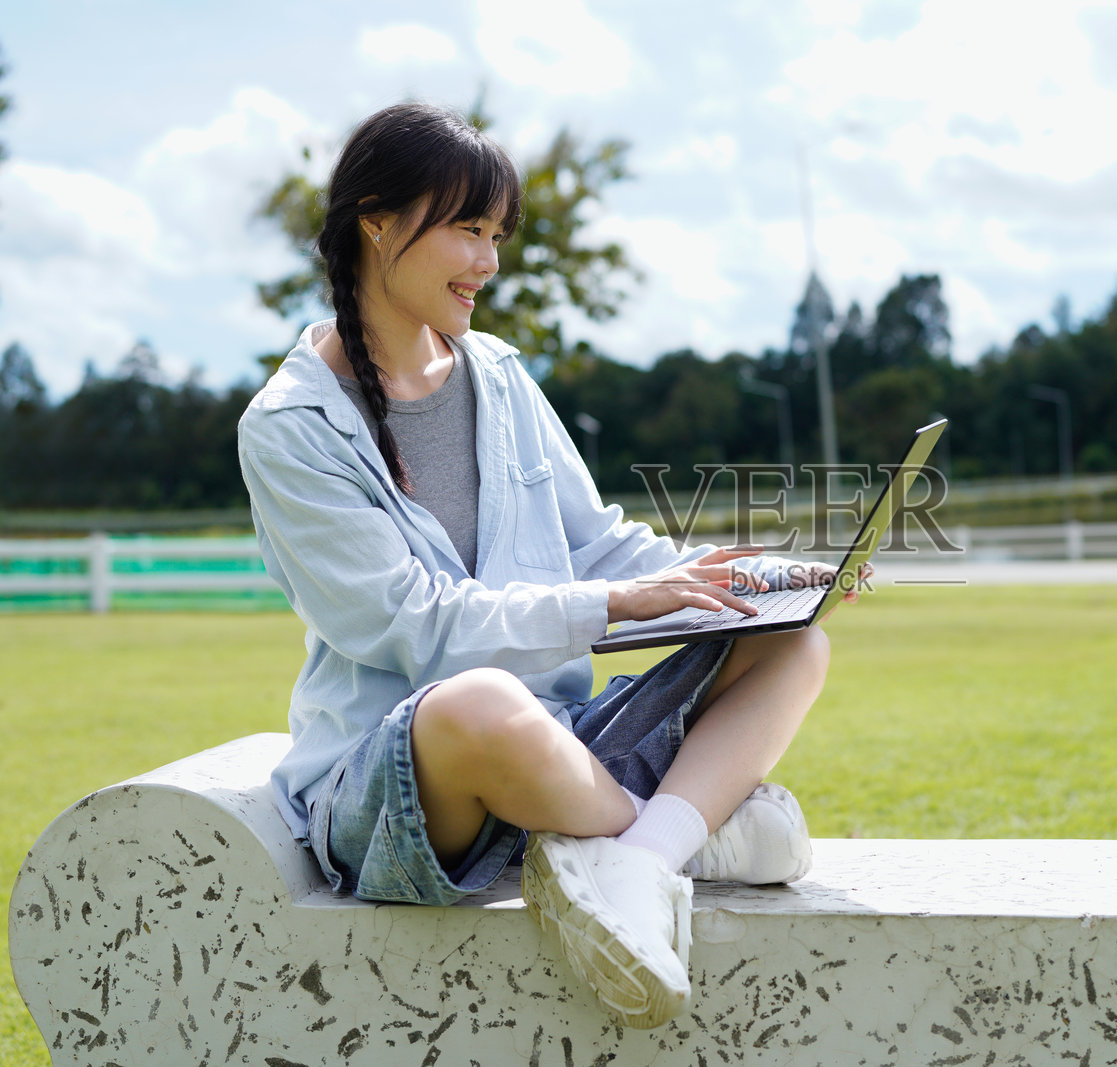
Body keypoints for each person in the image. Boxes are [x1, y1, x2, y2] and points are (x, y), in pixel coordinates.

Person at [237, 101, 851, 1030]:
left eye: (496, 235)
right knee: (481, 698)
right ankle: (688, 832)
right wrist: (610, 604)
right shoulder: (291, 426)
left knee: (791, 645)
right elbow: (412, 624)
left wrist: (744, 579)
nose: (488, 262)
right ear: (373, 218)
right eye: (466, 231)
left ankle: (638, 857)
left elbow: (598, 544)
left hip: (559, 751)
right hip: (401, 782)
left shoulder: (499, 375)